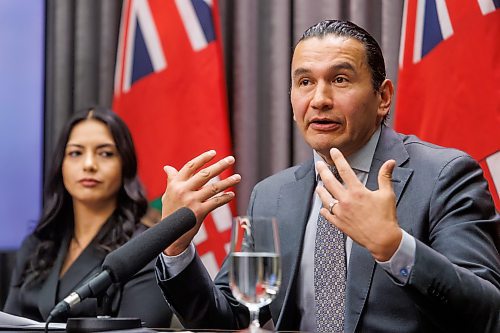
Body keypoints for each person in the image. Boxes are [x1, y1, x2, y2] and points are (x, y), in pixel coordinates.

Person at [155, 20, 500, 332]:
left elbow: (487, 313)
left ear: (383, 97)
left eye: (340, 79)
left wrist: (395, 248)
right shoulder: (273, 194)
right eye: (305, 82)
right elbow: (228, 317)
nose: (319, 99)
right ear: (291, 100)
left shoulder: (444, 176)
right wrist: (176, 246)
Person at [4, 107, 173, 327]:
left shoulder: (145, 249)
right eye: (76, 153)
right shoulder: (37, 244)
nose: (89, 165)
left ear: (125, 164)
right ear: (61, 165)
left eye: (105, 153)